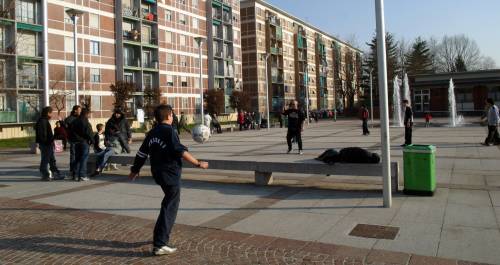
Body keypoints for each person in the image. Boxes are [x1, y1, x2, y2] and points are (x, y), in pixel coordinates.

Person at [128, 104, 209, 256]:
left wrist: (135, 170)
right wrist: (198, 163)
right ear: (169, 116)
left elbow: (141, 153)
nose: (173, 117)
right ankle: (160, 243)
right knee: (170, 207)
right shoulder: (169, 131)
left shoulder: (152, 133)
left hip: (158, 173)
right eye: (172, 114)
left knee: (168, 203)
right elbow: (180, 151)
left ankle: (159, 238)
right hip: (170, 174)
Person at [35, 107, 65, 181]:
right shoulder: (42, 121)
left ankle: (55, 173)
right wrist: (48, 142)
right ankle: (45, 175)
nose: (52, 115)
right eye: (51, 113)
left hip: (48, 143)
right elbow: (43, 134)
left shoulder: (44, 120)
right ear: (48, 113)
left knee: (52, 160)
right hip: (46, 144)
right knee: (45, 159)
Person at [72, 109, 94, 181]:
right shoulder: (85, 121)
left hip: (76, 142)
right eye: (89, 114)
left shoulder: (75, 121)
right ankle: (82, 175)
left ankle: (75, 174)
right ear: (86, 114)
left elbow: (71, 131)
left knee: (77, 158)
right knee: (84, 159)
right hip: (84, 142)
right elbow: (89, 132)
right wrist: (92, 141)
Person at [65, 105, 81, 180]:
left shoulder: (79, 118)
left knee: (78, 155)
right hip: (73, 140)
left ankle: (77, 169)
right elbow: (67, 129)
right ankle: (73, 170)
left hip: (80, 139)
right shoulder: (70, 119)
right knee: (73, 155)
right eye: (79, 110)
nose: (80, 112)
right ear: (75, 110)